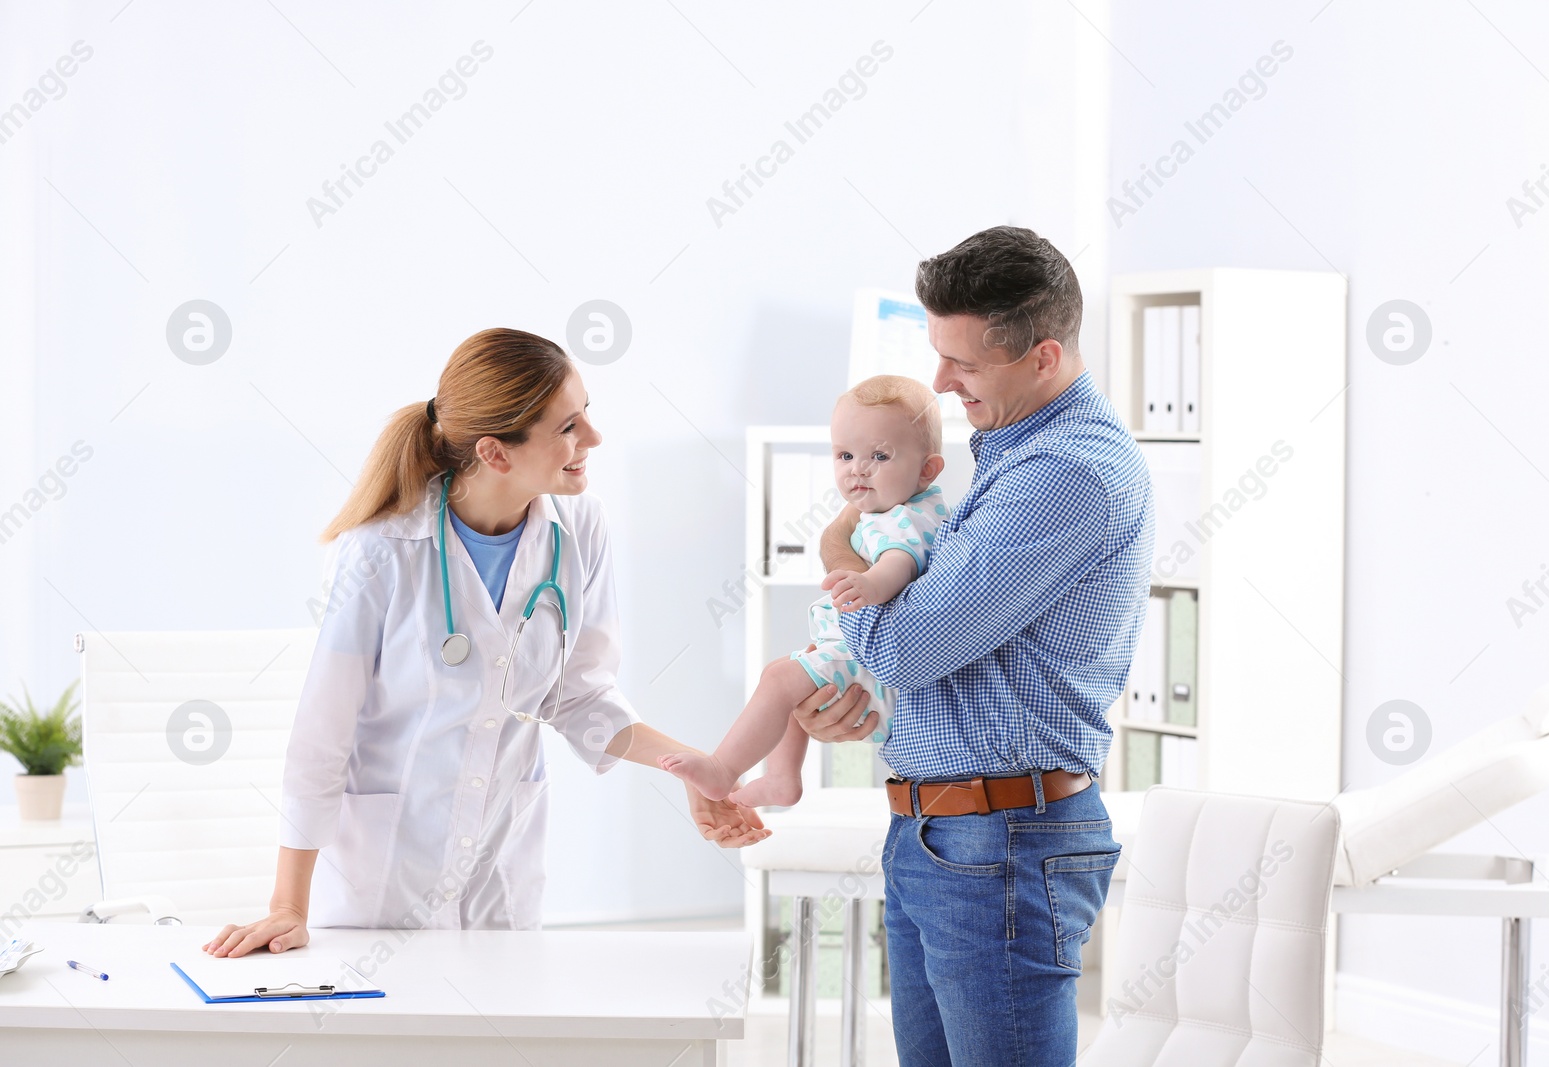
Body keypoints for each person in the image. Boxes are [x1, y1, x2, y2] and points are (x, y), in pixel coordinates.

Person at [204, 328, 768, 958]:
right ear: (496, 453)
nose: (594, 439)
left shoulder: (579, 528)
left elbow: (579, 696)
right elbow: (322, 733)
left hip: (501, 874)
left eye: (588, 414)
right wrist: (287, 907)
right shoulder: (380, 552)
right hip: (381, 885)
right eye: (567, 427)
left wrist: (693, 764)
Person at [794, 227, 1153, 1065]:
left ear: (1043, 357)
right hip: (942, 832)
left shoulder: (1065, 472)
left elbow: (912, 646)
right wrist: (856, 692)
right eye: (937, 353)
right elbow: (932, 654)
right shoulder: (1008, 457)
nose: (939, 382)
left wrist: (838, 560)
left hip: (1001, 841)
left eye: (963, 363)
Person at [658, 375, 949, 808]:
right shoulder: (912, 509)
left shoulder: (903, 519)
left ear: (927, 468)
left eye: (880, 456)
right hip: (869, 663)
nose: (858, 469)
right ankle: (782, 778)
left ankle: (724, 769)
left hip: (871, 666)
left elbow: (899, 562)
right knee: (783, 673)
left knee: (779, 678)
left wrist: (869, 583)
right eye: (845, 455)